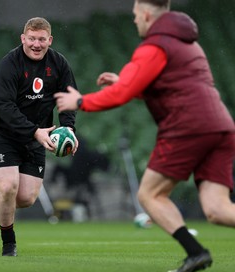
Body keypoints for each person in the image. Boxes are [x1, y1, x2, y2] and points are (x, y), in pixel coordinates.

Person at [54, 1, 235, 271]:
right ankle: (196, 253)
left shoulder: (154, 47)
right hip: (220, 126)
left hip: (187, 127)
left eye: (136, 15)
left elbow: (122, 95)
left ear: (148, 15)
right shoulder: (189, 44)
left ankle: (196, 252)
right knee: (218, 210)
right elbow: (171, 85)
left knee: (150, 195)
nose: (134, 20)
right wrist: (126, 82)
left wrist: (81, 102)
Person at [0, 17, 79, 257]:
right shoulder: (9, 65)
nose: (36, 44)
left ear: (49, 40)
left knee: (26, 198)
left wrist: (68, 128)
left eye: (41, 39)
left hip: (36, 135)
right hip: (3, 133)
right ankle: (9, 245)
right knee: (8, 187)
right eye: (31, 39)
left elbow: (68, 98)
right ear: (23, 38)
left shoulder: (59, 64)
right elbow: (5, 107)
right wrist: (35, 132)